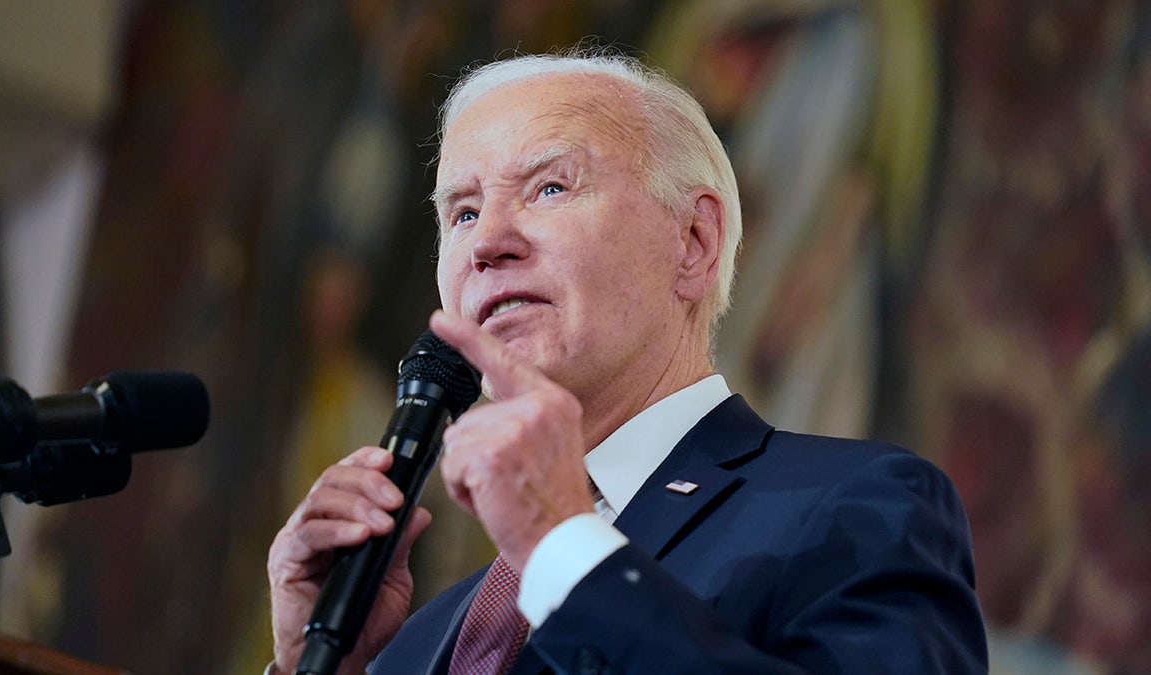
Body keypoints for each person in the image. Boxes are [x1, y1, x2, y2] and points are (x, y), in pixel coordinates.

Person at [266, 50, 988, 674]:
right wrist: (323, 660)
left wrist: (563, 549)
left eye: (550, 187)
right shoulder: (422, 635)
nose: (487, 241)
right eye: (461, 212)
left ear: (694, 242)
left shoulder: (858, 508)